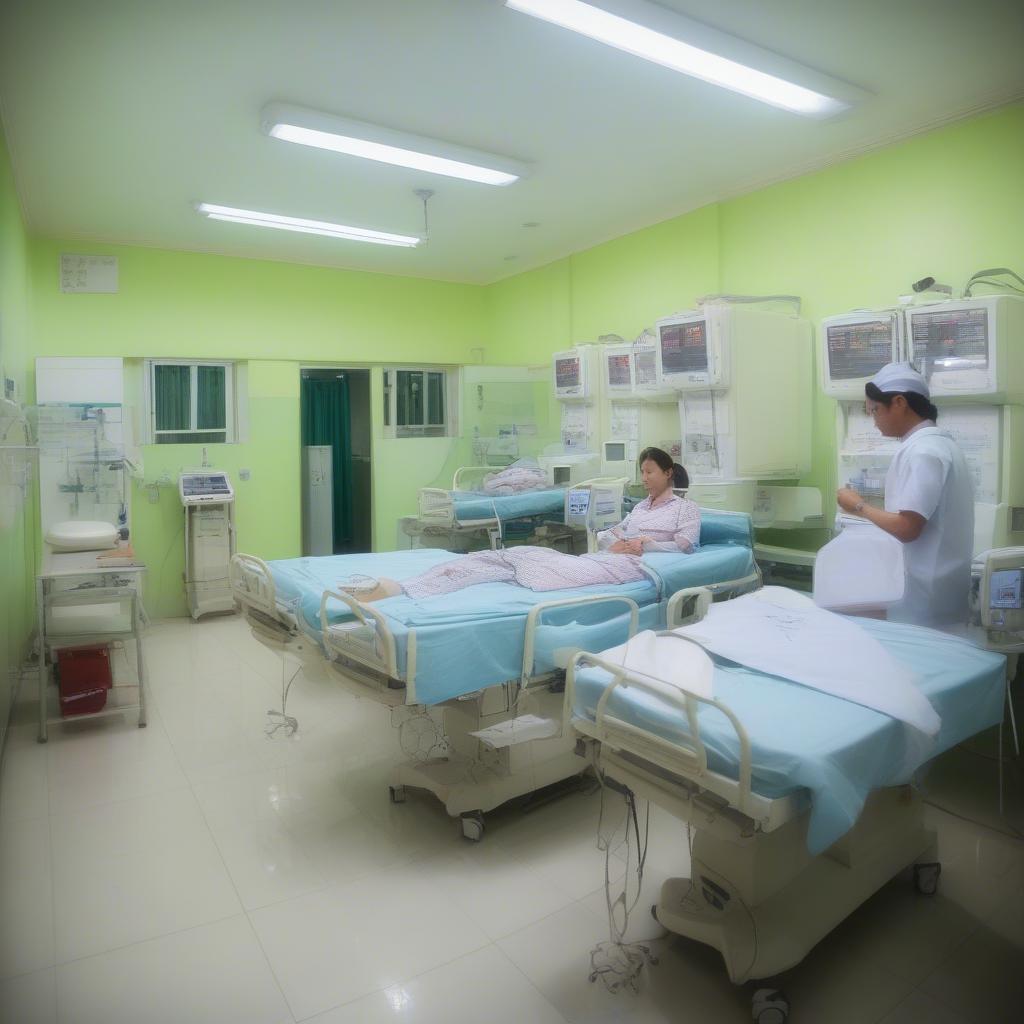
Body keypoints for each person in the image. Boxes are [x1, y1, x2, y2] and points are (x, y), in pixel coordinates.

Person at [836, 362, 974, 627]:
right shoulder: (942, 445)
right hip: (940, 595)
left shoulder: (924, 451)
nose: (874, 422)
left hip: (923, 602)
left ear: (899, 402)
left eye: (874, 410)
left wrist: (858, 506)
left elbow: (908, 527)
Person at [596, 446, 700, 555]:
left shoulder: (685, 507)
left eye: (649, 472)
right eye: (642, 472)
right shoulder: (640, 507)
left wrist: (647, 545)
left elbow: (687, 546)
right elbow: (611, 533)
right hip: (616, 557)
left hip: (643, 564)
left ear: (668, 473)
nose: (644, 479)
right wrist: (614, 546)